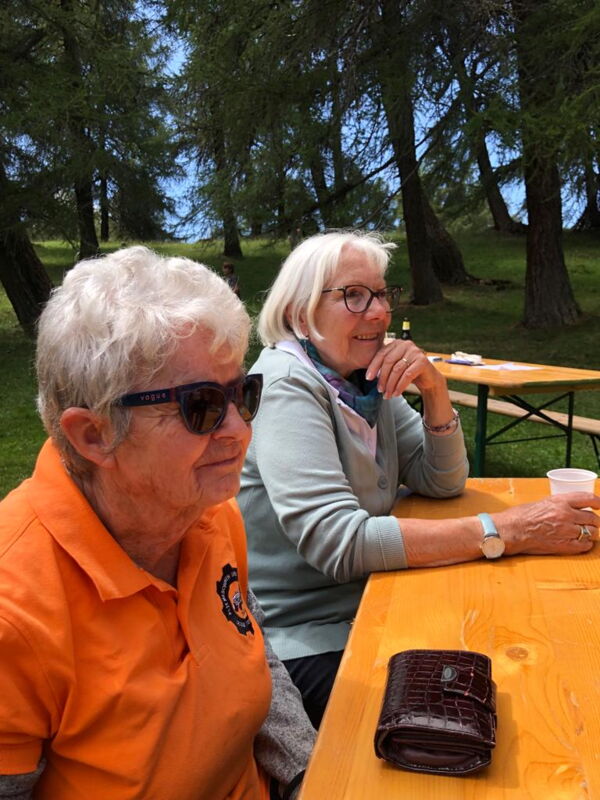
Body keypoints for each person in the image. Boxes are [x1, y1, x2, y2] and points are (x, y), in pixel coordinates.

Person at [238, 230, 600, 729]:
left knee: (524, 648)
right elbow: (338, 541)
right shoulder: (287, 385)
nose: (379, 313)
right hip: (304, 638)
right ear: (301, 313)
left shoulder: (364, 379)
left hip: (378, 599)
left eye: (381, 293)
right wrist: (506, 531)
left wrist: (434, 389)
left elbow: (441, 480)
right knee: (488, 711)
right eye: (354, 296)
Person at [0, 247, 314, 799]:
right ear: (94, 435)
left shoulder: (210, 512)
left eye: (242, 394)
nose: (239, 430)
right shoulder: (15, 612)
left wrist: (311, 775)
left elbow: (252, 649)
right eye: (201, 406)